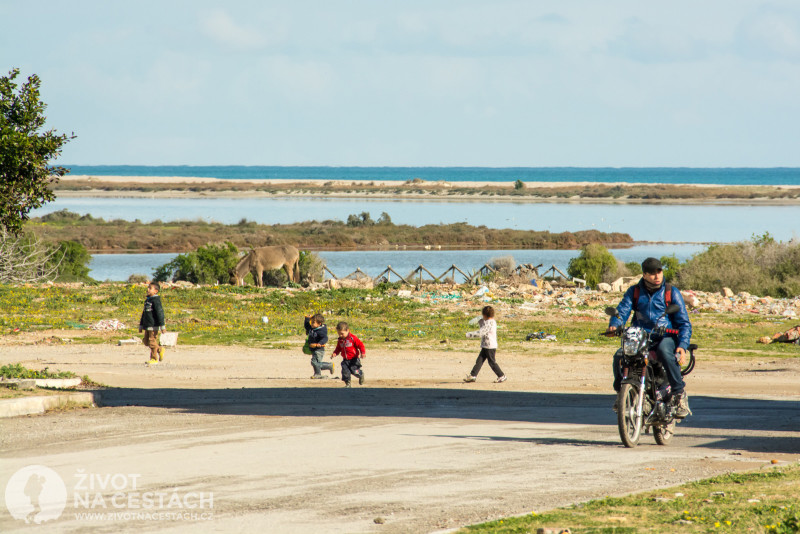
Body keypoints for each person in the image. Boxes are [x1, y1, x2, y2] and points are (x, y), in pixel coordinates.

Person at [607, 257, 692, 418]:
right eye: (652, 273)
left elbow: (684, 323)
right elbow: (623, 310)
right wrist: (615, 324)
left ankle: (679, 394)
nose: (656, 276)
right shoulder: (635, 291)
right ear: (644, 275)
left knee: (664, 351)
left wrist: (682, 344)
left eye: (659, 271)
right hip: (641, 336)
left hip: (665, 335)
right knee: (619, 355)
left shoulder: (671, 292)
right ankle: (622, 393)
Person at [464, 305, 507, 383]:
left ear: (485, 315)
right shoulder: (489, 321)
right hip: (486, 345)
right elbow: (483, 327)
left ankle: (501, 376)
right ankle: (473, 375)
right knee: (479, 361)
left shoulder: (489, 323)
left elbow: (481, 332)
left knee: (492, 362)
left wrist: (469, 334)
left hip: (490, 346)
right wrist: (480, 321)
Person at [331, 321, 366, 388]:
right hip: (345, 360)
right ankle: (348, 384)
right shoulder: (340, 340)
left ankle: (360, 374)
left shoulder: (353, 338)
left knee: (354, 371)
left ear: (347, 330)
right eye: (339, 334)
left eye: (342, 334)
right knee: (345, 372)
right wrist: (335, 353)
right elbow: (338, 348)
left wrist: (363, 352)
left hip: (354, 359)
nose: (340, 335)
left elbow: (361, 345)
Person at [139, 281, 166, 365]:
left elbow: (160, 313)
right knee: (146, 342)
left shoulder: (156, 301)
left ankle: (154, 358)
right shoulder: (147, 300)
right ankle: (160, 349)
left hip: (154, 325)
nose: (148, 289)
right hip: (147, 325)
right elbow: (144, 314)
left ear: (156, 291)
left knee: (152, 341)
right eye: (148, 287)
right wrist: (141, 325)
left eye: (150, 288)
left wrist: (162, 326)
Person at [304, 313, 334, 378]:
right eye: (311, 322)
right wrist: (307, 318)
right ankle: (319, 373)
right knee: (316, 362)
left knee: (314, 362)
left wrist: (320, 343)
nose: (311, 324)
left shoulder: (321, 331)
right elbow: (306, 326)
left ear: (319, 324)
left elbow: (325, 338)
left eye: (313, 322)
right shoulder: (312, 329)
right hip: (313, 349)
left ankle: (327, 367)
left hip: (319, 350)